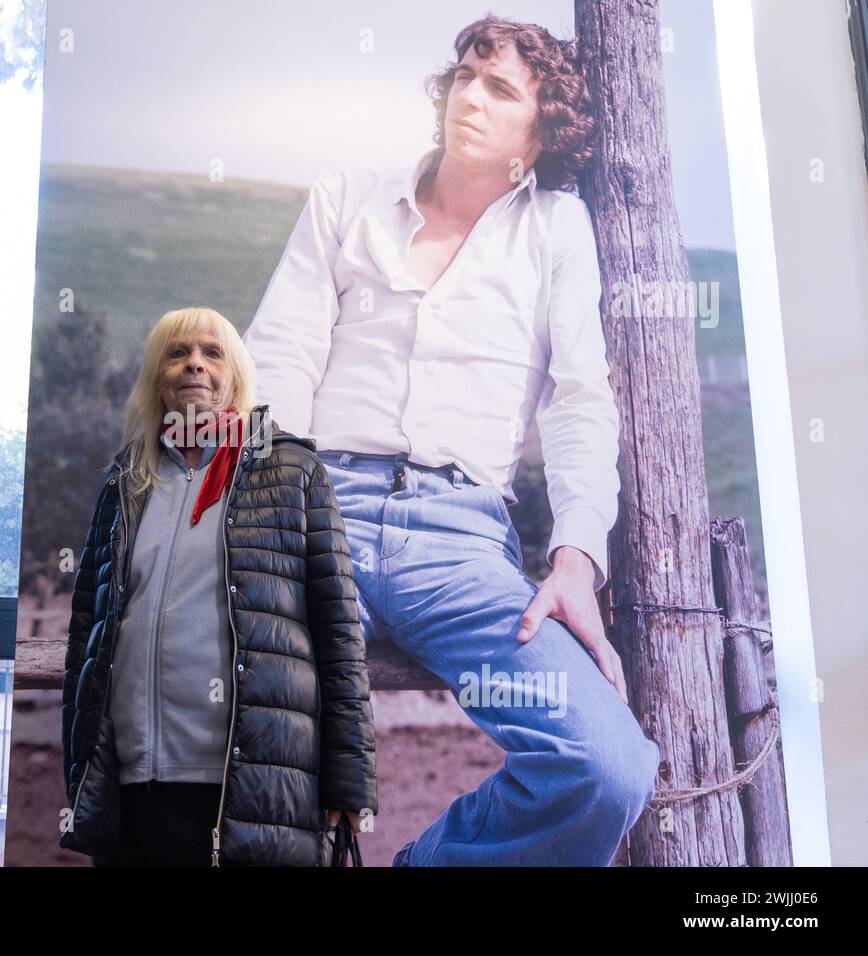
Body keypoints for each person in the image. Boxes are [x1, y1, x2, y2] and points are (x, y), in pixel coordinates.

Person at [241, 15, 660, 866]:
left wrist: (577, 557)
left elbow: (580, 403)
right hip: (324, 514)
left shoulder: (557, 229)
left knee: (607, 768)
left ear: (545, 128)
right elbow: (276, 362)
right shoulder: (347, 196)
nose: (470, 93)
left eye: (501, 87)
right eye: (466, 73)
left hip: (462, 546)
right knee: (233, 711)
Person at [59, 306, 378, 866]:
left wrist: (350, 782)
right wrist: (81, 768)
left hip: (256, 784)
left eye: (212, 353)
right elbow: (86, 632)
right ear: (157, 376)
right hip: (138, 783)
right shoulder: (126, 480)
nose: (194, 366)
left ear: (236, 375)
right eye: (176, 354)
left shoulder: (291, 469)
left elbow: (339, 631)